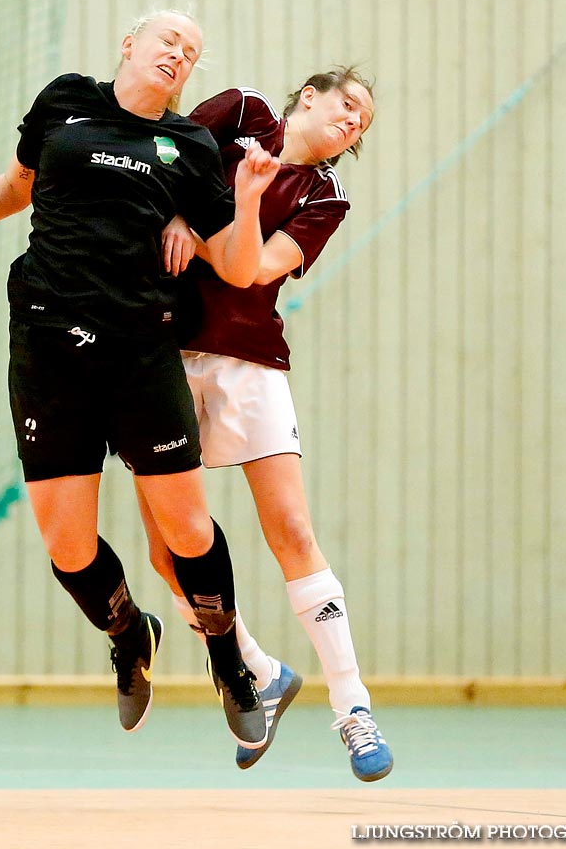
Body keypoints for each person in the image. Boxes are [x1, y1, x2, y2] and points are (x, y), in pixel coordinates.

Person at [0, 9, 281, 750]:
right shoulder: (65, 101)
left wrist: (250, 195)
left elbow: (236, 265)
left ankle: (230, 664)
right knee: (67, 547)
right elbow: (15, 187)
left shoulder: (189, 147)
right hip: (46, 342)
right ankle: (130, 632)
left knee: (187, 527)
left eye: (190, 52)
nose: (178, 55)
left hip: (138, 352)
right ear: (129, 44)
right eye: (168, 40)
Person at [137, 68, 394, 780]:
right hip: (157, 351)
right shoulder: (241, 109)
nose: (352, 121)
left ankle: (353, 707)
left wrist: (231, 209)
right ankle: (257, 670)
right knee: (167, 554)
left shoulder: (323, 195)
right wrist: (185, 212)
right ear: (306, 95)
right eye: (346, 103)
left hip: (246, 361)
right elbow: (164, 165)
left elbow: (250, 270)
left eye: (362, 122)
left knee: (291, 532)